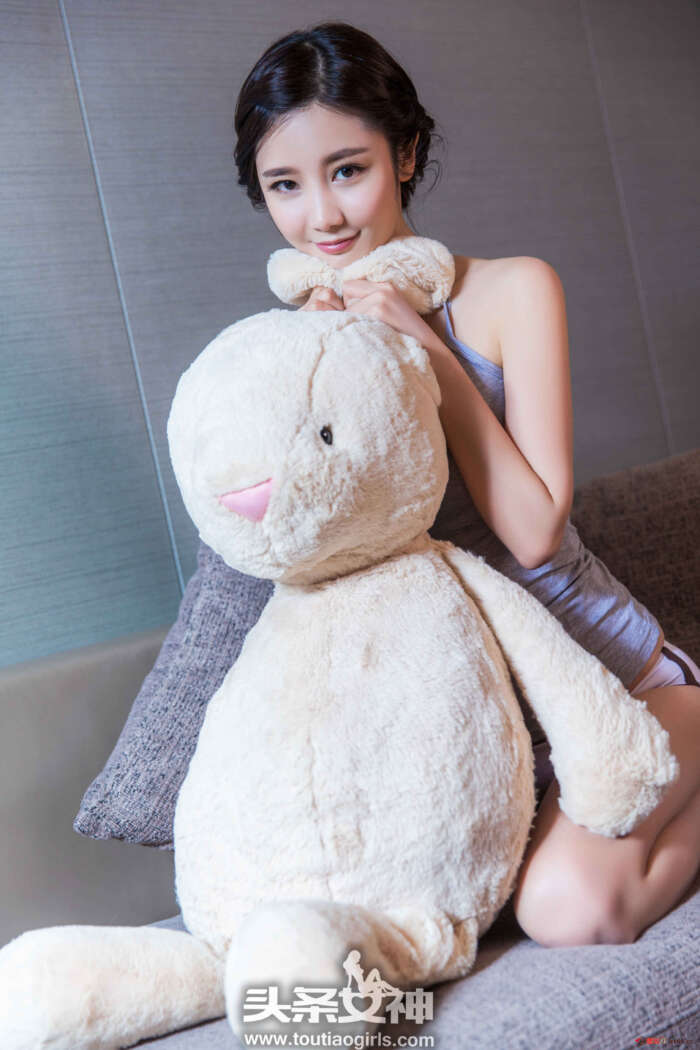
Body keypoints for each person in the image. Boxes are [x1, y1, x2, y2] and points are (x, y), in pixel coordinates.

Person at [233, 20, 700, 947]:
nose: (322, 217)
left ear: (406, 155)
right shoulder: (303, 351)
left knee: (565, 909)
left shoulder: (512, 290)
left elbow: (535, 534)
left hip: (621, 686)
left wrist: (428, 351)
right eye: (285, 185)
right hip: (480, 731)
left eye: (348, 170)